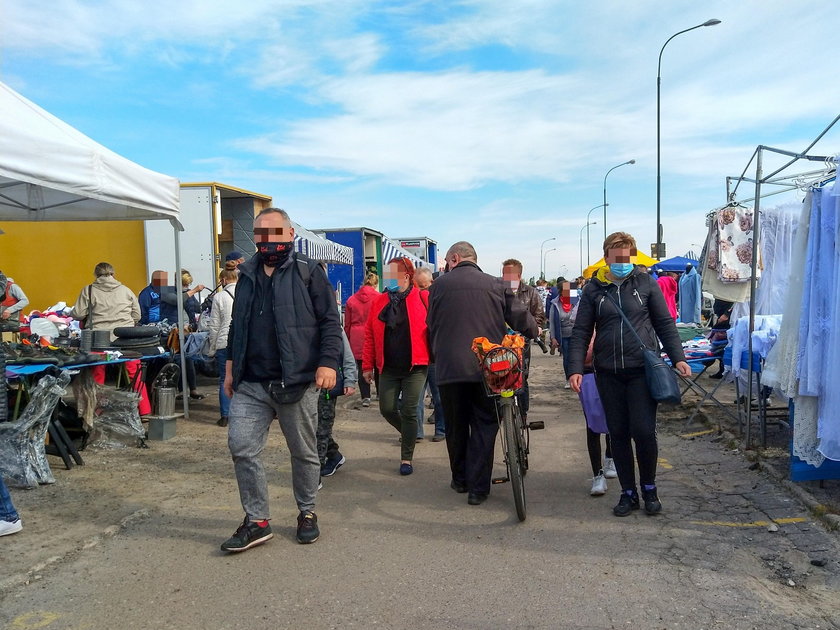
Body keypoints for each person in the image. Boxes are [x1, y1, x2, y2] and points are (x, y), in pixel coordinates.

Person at [221, 207, 341, 552]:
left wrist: (328, 364)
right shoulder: (246, 275)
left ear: (289, 235)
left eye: (274, 232)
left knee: (303, 453)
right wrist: (230, 370)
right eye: (260, 233)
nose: (266, 239)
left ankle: (306, 512)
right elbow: (236, 327)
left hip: (297, 381)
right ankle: (257, 521)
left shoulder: (308, 271)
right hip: (252, 383)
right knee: (241, 447)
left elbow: (330, 323)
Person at [568, 232, 690, 517]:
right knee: (618, 433)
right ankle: (628, 492)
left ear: (632, 257)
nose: (621, 261)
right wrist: (574, 368)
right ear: (607, 257)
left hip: (640, 371)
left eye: (626, 255)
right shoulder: (595, 289)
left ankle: (649, 488)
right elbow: (581, 332)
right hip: (607, 373)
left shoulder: (646, 283)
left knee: (644, 432)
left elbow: (664, 324)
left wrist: (678, 358)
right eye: (615, 255)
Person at [427, 242, 538, 506]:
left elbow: (431, 324)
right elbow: (520, 317)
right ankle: (479, 489)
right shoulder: (496, 284)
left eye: (446, 260)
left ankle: (460, 479)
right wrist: (536, 332)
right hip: (488, 368)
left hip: (450, 368)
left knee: (455, 426)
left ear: (455, 258)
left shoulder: (438, 287)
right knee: (484, 425)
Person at [362, 257, 430, 476]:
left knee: (410, 411)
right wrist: (367, 365)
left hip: (415, 367)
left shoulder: (422, 297)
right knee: (387, 409)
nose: (388, 277)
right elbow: (370, 336)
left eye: (392, 273)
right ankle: (409, 433)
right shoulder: (378, 302)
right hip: (388, 368)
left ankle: (406, 458)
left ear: (407, 276)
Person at [69, 263, 149, 415]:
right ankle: (144, 410)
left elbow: (78, 314)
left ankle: (96, 411)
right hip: (124, 337)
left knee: (97, 373)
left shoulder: (89, 290)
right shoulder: (126, 290)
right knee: (135, 371)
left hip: (100, 338)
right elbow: (137, 315)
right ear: (113, 273)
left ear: (96, 274)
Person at [501, 259, 545, 423]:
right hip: (502, 342)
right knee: (499, 375)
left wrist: (534, 328)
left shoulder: (530, 292)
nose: (505, 276)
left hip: (522, 341)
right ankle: (503, 411)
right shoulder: (498, 291)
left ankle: (523, 413)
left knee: (521, 376)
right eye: (503, 273)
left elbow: (538, 314)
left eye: (509, 274)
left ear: (518, 275)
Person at [318, 328, 356, 478]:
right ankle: (334, 455)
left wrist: (350, 379)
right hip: (303, 385)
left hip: (326, 386)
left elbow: (346, 354)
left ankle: (315, 474)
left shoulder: (331, 325)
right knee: (311, 428)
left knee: (321, 428)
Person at [413, 267, 445, 441]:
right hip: (420, 355)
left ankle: (440, 429)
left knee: (437, 396)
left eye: (425, 286)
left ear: (431, 282)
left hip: (433, 354)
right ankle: (418, 431)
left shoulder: (437, 298)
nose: (424, 290)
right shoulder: (411, 299)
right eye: (420, 286)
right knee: (417, 397)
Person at [207, 263, 238, 427]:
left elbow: (214, 326)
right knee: (243, 379)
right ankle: (241, 415)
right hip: (242, 342)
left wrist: (212, 348)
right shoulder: (246, 293)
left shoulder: (219, 297)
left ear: (223, 280)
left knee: (224, 379)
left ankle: (225, 416)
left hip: (224, 342)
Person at [344, 272, 379, 407]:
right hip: (374, 334)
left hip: (356, 336)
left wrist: (347, 338)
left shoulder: (351, 300)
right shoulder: (379, 298)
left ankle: (366, 397)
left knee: (361, 366)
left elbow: (347, 324)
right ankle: (380, 393)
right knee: (377, 366)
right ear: (375, 284)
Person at [548, 280, 576, 388]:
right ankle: (568, 378)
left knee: (576, 357)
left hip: (576, 333)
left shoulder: (576, 301)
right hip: (563, 335)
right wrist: (553, 337)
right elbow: (552, 323)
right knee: (567, 357)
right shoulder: (555, 304)